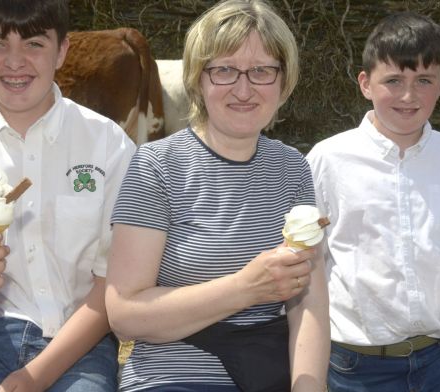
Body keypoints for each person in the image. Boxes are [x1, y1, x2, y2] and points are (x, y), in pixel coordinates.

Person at [104, 1, 330, 391]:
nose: (244, 89)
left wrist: (308, 386)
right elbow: (124, 314)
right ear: (198, 79)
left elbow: (308, 304)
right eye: (224, 70)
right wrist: (245, 288)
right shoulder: (156, 166)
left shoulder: (293, 169)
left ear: (283, 80)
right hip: (173, 374)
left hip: (269, 371)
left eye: (261, 71)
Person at [0, 0, 136, 391]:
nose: (14, 62)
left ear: (62, 50)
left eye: (34, 43)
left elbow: (112, 288)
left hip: (80, 336)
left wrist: (35, 376)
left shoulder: (109, 147)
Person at [305, 11, 440, 391]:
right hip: (356, 366)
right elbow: (307, 265)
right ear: (365, 83)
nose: (409, 96)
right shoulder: (326, 161)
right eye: (393, 80)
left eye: (424, 80)